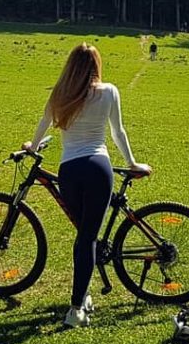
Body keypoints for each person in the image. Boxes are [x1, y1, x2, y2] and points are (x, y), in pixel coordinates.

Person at [23, 43, 151, 328]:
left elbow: (44, 121)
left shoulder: (60, 93)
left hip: (70, 169)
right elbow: (118, 131)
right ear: (96, 65)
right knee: (87, 238)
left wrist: (32, 145)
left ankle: (80, 301)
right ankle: (77, 306)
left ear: (71, 66)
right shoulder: (109, 91)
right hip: (98, 167)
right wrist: (132, 162)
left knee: (84, 238)